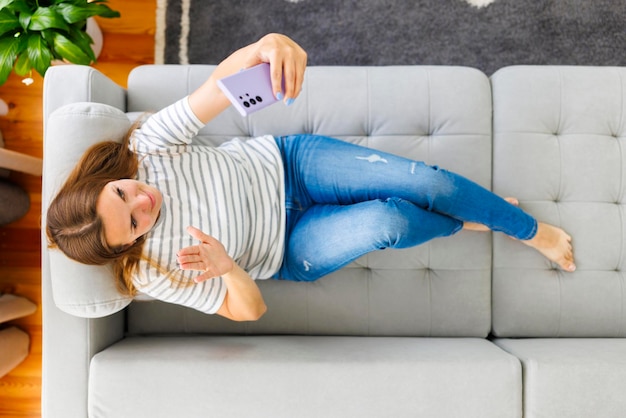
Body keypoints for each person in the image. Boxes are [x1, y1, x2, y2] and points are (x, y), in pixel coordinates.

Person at [46, 33, 575, 322]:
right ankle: (467, 221)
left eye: (123, 194)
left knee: (429, 186)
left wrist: (267, 45)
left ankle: (527, 229)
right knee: (389, 221)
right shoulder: (150, 272)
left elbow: (219, 88)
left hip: (289, 165)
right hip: (290, 248)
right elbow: (247, 310)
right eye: (135, 224)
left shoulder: (142, 149)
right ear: (129, 247)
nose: (144, 202)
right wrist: (228, 267)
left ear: (106, 178)